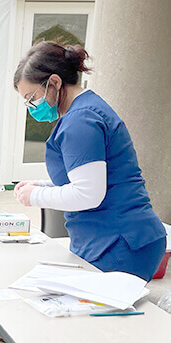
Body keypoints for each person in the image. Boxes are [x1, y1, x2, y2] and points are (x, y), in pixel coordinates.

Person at [13, 41, 166, 281]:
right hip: (122, 237)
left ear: (54, 82)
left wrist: (34, 196)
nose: (32, 107)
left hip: (119, 243)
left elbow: (88, 194)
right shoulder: (88, 108)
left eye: (32, 97)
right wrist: (43, 185)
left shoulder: (80, 121)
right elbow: (93, 179)